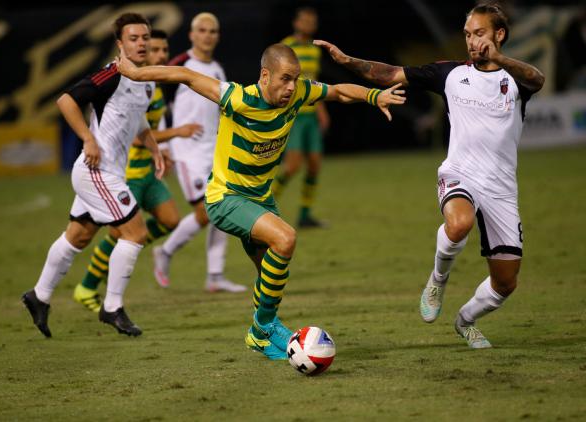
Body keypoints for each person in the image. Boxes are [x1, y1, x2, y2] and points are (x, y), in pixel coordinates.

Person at [116, 42, 405, 359]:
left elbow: (337, 92)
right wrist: (135, 72)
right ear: (265, 75)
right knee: (286, 239)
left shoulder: (297, 94)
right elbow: (185, 74)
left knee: (270, 273)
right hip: (226, 198)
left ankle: (267, 327)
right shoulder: (237, 98)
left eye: (295, 78)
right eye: (285, 78)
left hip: (259, 199)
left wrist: (374, 95)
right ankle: (259, 329)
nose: (291, 86)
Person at [316, 3, 545, 348]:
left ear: (499, 35)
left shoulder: (514, 79)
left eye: (479, 33)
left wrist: (501, 60)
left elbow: (537, 79)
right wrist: (349, 62)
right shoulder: (450, 74)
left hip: (501, 189)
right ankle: (438, 280)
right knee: (459, 224)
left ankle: (466, 321)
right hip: (460, 174)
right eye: (467, 34)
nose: (471, 41)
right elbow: (392, 73)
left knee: (505, 284)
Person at [21, 13, 165, 337]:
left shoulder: (146, 80)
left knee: (79, 237)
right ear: (120, 43)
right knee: (135, 234)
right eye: (133, 38)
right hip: (96, 173)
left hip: (108, 173)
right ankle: (112, 307)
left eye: (145, 37)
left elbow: (136, 120)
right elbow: (66, 101)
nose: (141, 43)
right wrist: (87, 138)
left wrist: (153, 147)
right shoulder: (111, 75)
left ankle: (39, 296)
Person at [72, 29, 202, 313]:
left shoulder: (153, 87)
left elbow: (148, 131)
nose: (161, 55)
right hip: (128, 172)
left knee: (170, 220)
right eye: (155, 50)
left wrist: (161, 151)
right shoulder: (130, 85)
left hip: (147, 171)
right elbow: (133, 135)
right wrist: (178, 132)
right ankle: (87, 286)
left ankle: (125, 253)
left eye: (164, 50)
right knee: (122, 234)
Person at [152, 13, 246, 293]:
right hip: (186, 152)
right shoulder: (179, 65)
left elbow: (222, 108)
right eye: (202, 30)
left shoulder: (216, 68)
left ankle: (215, 276)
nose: (208, 35)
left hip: (212, 150)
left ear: (217, 36)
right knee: (206, 212)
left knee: (223, 208)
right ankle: (165, 252)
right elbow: (160, 105)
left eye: (213, 31)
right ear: (192, 35)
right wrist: (165, 147)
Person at [272, 6, 330, 228]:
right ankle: (266, 201)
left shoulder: (315, 50)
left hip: (311, 116)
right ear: (296, 23)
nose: (309, 25)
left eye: (312, 21)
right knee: (293, 166)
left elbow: (313, 83)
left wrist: (322, 111)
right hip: (293, 115)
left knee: (314, 164)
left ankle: (305, 215)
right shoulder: (287, 47)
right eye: (305, 20)